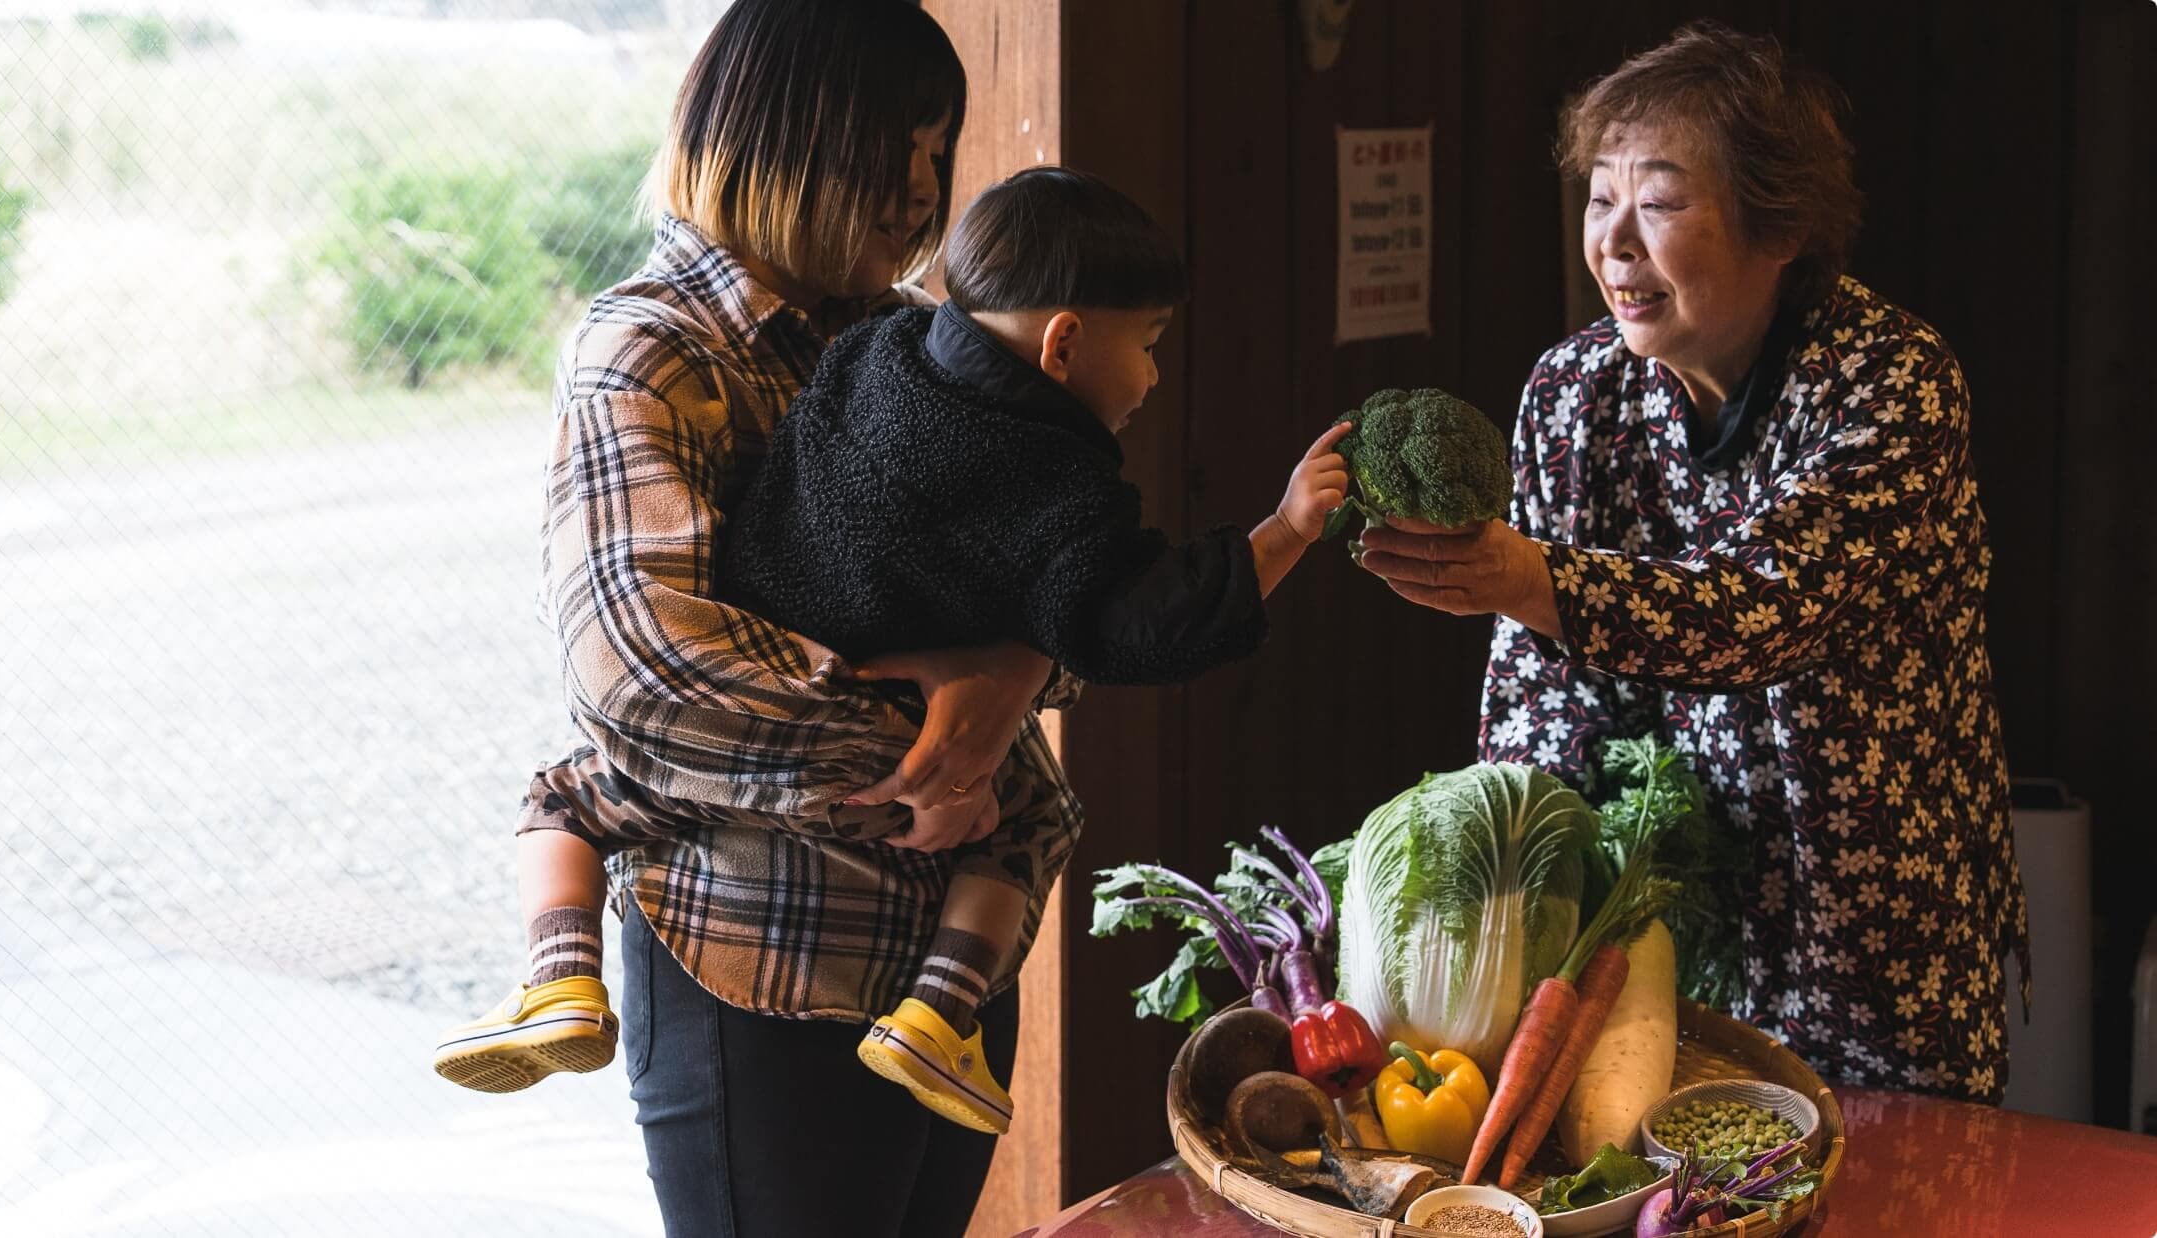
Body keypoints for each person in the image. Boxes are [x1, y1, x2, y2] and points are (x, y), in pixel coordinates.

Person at [437, 164, 1349, 1136]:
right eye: (1150, 345)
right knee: (1035, 815)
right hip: (895, 737)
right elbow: (1134, 616)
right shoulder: (1055, 483)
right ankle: (938, 1015)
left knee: (569, 793)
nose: (1154, 377)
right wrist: (1285, 528)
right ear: (1065, 342)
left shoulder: (876, 343)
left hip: (777, 650)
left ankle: (560, 977)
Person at [1354, 21, 2029, 1103]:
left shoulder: (1891, 383)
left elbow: (1764, 607)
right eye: (1599, 199)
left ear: (1781, 226)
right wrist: (1514, 910)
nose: (1614, 243)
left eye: (1659, 203)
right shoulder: (1573, 392)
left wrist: (1533, 579)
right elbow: (1538, 699)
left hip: (1871, 933)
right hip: (1663, 929)